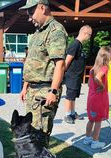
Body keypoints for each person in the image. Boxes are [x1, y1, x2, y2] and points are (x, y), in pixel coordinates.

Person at [19, 0, 67, 147]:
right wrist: (25, 86)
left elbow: (60, 64)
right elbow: (32, 61)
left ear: (42, 8)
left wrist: (53, 91)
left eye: (31, 12)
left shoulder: (55, 31)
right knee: (31, 129)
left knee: (40, 134)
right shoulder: (38, 33)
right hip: (32, 90)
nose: (29, 17)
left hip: (45, 90)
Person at [83, 46, 111, 149]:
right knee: (98, 121)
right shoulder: (104, 67)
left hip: (91, 98)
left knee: (91, 120)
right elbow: (97, 78)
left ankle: (87, 139)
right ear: (108, 56)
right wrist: (102, 86)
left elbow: (90, 82)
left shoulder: (93, 68)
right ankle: (95, 142)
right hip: (99, 99)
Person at [63, 25, 92, 124]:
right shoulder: (75, 44)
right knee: (70, 95)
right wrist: (62, 74)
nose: (89, 38)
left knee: (74, 95)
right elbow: (67, 61)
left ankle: (72, 112)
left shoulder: (79, 44)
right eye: (90, 35)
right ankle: (67, 115)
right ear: (85, 33)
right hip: (72, 75)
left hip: (77, 76)